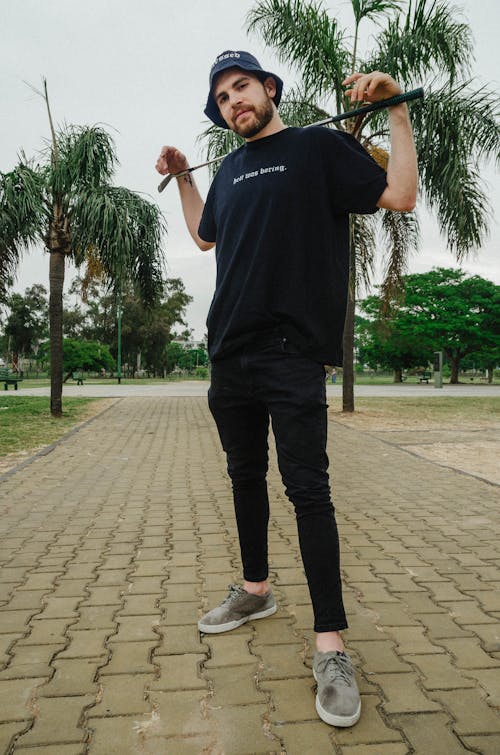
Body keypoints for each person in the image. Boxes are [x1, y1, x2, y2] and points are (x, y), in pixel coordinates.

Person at [156, 50, 417, 728]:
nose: (232, 100)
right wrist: (186, 177)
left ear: (270, 89)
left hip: (293, 353)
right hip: (229, 354)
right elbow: (204, 236)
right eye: (221, 96)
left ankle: (330, 645)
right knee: (243, 474)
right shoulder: (231, 171)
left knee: (309, 490)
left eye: (241, 86)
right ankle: (255, 589)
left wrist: (395, 109)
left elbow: (400, 195)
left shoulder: (317, 149)